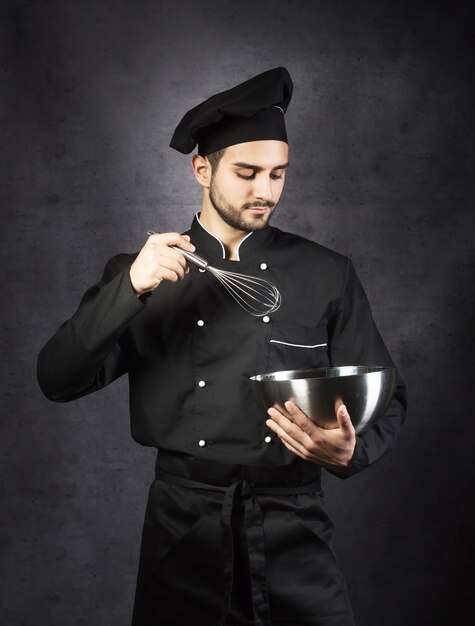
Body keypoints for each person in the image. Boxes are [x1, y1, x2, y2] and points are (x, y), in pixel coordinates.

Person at [37, 67, 407, 626]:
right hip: (182, 534)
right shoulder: (142, 274)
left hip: (294, 530)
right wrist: (129, 290)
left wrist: (351, 452)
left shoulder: (326, 273)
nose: (265, 191)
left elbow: (390, 397)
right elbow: (56, 379)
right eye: (247, 172)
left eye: (278, 174)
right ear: (202, 168)